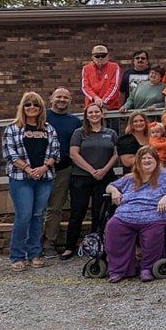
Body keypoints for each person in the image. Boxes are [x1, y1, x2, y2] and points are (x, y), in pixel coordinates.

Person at [104, 146, 166, 283]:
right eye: (143, 158)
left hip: (155, 215)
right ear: (138, 161)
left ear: (156, 160)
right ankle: (118, 270)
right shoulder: (130, 177)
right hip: (126, 215)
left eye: (150, 157)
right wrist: (114, 191)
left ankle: (147, 269)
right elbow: (110, 186)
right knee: (113, 226)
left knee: (153, 234)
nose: (147, 160)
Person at [2, 92, 61, 271]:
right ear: (23, 107)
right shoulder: (12, 128)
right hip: (21, 179)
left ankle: (34, 253)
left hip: (44, 178)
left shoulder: (49, 128)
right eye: (28, 105)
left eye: (36, 105)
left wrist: (43, 168)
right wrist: (28, 169)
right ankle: (17, 255)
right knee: (23, 216)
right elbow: (9, 154)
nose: (32, 108)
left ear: (41, 108)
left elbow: (55, 152)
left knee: (37, 216)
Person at [60, 103, 119, 260]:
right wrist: (91, 170)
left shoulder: (111, 133)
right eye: (90, 112)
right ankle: (69, 247)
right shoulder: (79, 133)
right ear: (86, 116)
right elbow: (74, 154)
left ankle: (96, 244)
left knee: (99, 213)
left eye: (96, 112)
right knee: (77, 212)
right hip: (81, 177)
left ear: (101, 114)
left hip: (104, 177)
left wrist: (104, 170)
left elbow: (115, 155)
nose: (94, 114)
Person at [42, 88, 80, 254]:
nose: (62, 99)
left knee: (55, 208)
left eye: (66, 97)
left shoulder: (75, 122)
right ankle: (33, 244)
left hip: (63, 169)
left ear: (70, 100)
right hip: (39, 169)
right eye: (59, 96)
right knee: (36, 208)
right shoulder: (41, 117)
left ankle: (49, 242)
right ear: (51, 98)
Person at [81, 44, 121, 110]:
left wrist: (103, 101)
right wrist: (95, 98)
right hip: (91, 107)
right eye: (97, 56)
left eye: (103, 55)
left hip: (110, 107)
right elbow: (85, 87)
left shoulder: (114, 67)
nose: (100, 58)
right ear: (92, 57)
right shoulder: (86, 69)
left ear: (108, 56)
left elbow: (114, 86)